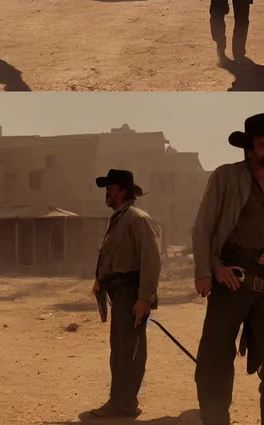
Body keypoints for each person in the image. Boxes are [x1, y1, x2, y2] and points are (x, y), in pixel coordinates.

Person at [193, 113, 264, 425]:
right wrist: (210, 268)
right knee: (214, 358)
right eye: (262, 144)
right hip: (233, 277)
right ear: (249, 149)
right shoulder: (225, 177)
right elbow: (203, 227)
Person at [85, 169, 163, 419]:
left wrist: (144, 298)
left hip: (131, 291)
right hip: (119, 292)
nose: (106, 193)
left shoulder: (138, 219)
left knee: (130, 349)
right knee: (119, 349)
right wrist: (100, 280)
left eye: (110, 188)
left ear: (122, 190)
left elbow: (151, 259)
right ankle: (123, 401)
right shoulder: (119, 219)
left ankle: (123, 403)